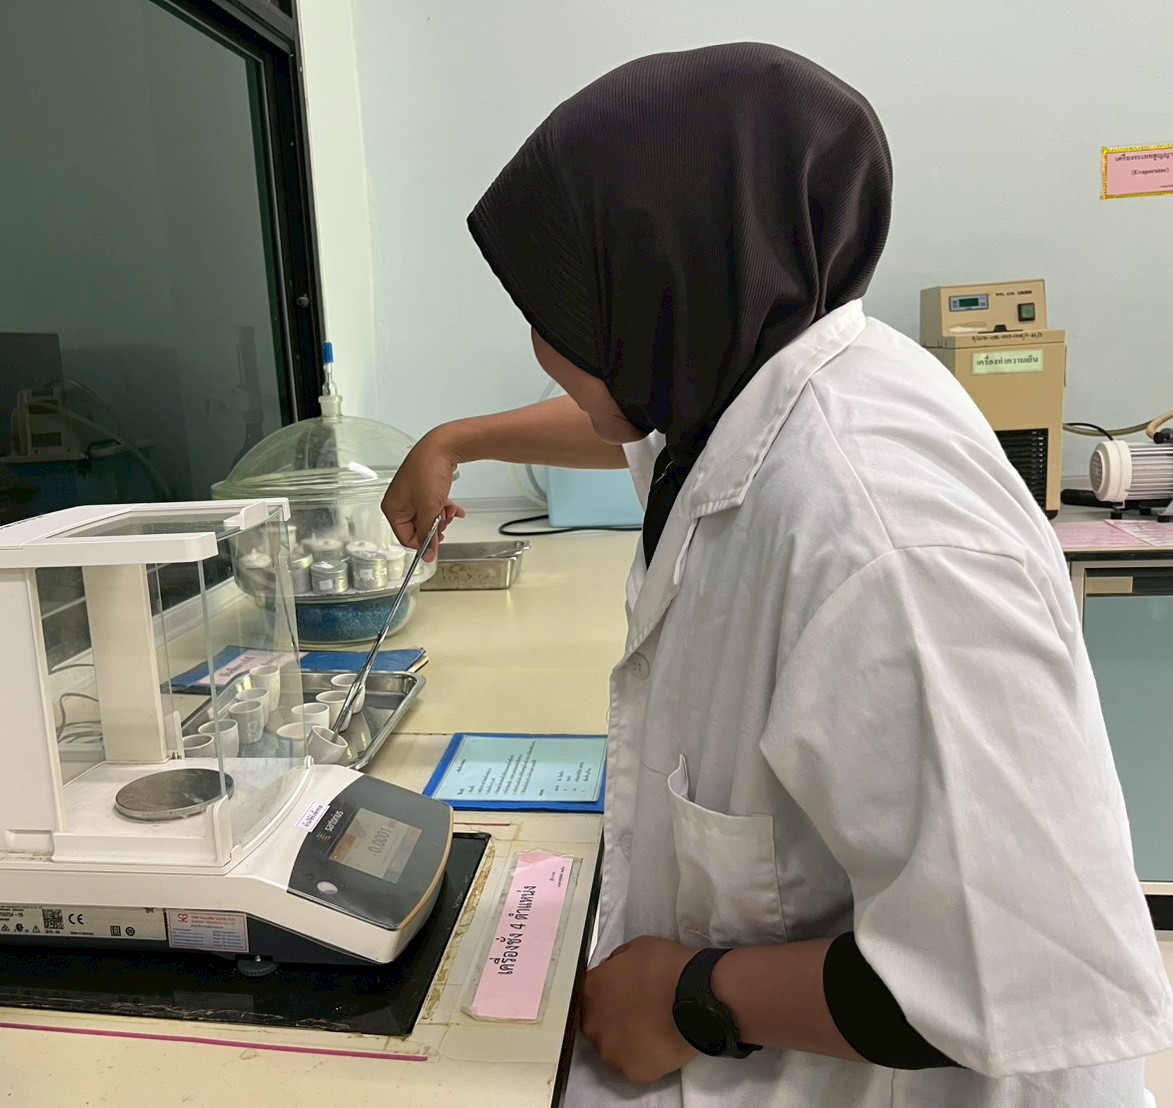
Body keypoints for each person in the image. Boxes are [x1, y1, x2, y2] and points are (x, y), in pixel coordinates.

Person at [382, 43, 1173, 1108]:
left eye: (561, 309)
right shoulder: (757, 377)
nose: (540, 342)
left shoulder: (881, 540)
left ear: (660, 286)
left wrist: (686, 997)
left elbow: (1025, 965)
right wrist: (456, 439)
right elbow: (626, 425)